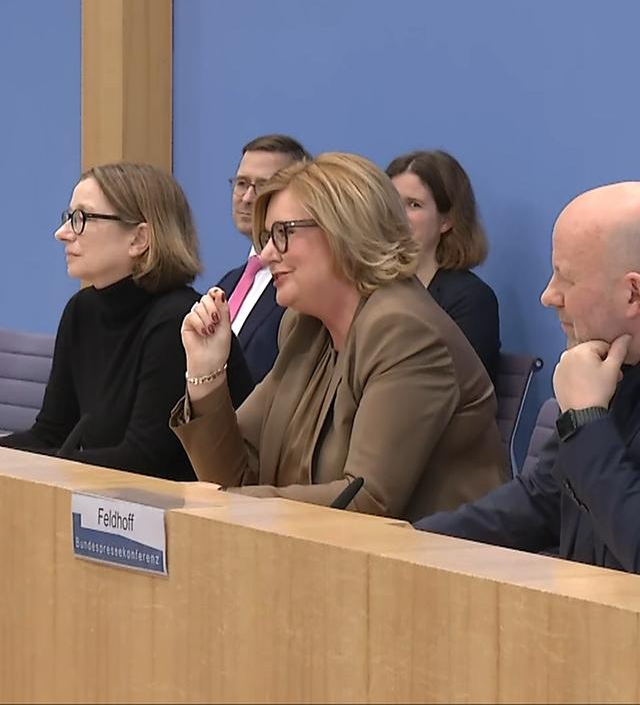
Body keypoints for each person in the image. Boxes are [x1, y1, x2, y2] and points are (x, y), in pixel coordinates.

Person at [170, 152, 507, 519]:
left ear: (343, 231)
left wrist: (229, 503)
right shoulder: (305, 328)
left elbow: (366, 502)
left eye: (283, 233)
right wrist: (206, 376)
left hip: (434, 551)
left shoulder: (404, 331)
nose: (265, 255)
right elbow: (234, 477)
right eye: (267, 237)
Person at [415, 181, 640, 573]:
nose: (549, 296)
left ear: (632, 293)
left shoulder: (593, 390)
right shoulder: (614, 370)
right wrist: (412, 543)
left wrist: (585, 420)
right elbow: (542, 499)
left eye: (566, 278)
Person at [1, 162, 253, 479]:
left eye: (81, 219)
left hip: (177, 505)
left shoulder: (178, 321)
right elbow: (50, 434)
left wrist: (43, 466)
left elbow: (142, 461)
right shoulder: (81, 311)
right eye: (68, 217)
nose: (62, 233)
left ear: (139, 239)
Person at [386, 150, 500, 383]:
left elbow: (453, 386)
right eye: (391, 203)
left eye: (413, 205)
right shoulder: (372, 289)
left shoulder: (471, 299)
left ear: (446, 220)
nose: (397, 216)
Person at [218, 134, 311, 383]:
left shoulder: (302, 290)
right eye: (241, 183)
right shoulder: (227, 284)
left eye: (262, 185)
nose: (247, 197)